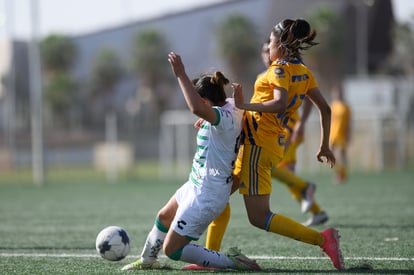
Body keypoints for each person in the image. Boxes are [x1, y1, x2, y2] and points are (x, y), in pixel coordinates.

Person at [188, 18, 344, 271]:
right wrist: (324, 145)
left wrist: (242, 106)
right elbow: (325, 109)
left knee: (259, 218)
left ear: (280, 45)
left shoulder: (278, 70)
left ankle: (322, 239)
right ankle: (210, 258)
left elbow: (279, 103)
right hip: (265, 144)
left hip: (257, 148)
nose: (268, 48)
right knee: (218, 198)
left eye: (270, 43)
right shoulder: (304, 72)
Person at [121, 52, 260, 271]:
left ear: (205, 101)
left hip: (206, 194)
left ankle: (232, 261)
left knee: (173, 250)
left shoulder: (221, 118)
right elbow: (221, 111)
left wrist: (181, 74)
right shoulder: (230, 106)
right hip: (197, 184)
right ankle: (147, 261)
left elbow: (198, 108)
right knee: (164, 216)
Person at [329, 83, 352, 184]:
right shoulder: (332, 106)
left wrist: (349, 134)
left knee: (342, 155)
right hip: (332, 134)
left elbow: (349, 122)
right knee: (330, 156)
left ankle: (342, 175)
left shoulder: (346, 107)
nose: (337, 94)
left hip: (342, 134)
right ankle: (339, 173)